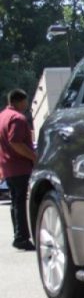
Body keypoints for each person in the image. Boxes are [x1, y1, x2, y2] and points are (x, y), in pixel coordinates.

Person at [0, 89, 36, 251]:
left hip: (8, 167)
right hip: (20, 167)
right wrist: (35, 157)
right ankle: (22, 238)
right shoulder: (18, 119)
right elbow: (15, 142)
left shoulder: (2, 117)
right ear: (19, 101)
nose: (26, 105)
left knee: (15, 202)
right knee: (20, 203)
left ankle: (19, 235)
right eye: (25, 101)